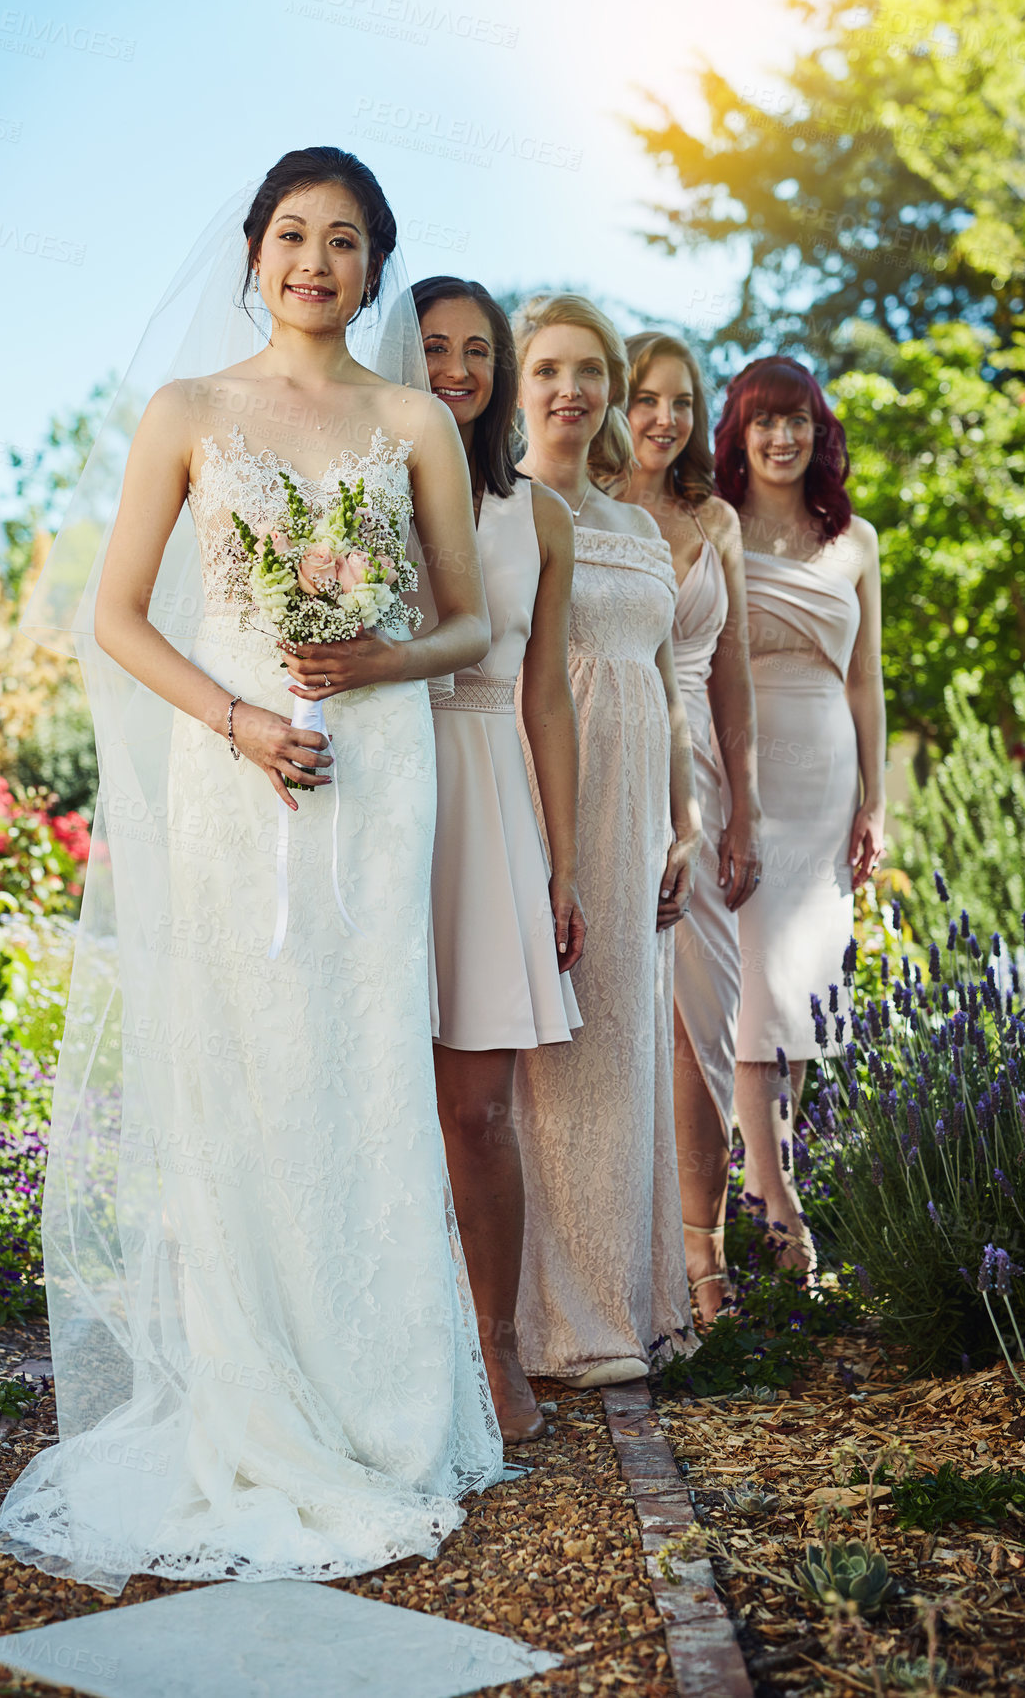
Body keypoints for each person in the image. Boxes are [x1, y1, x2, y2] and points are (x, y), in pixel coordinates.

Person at [0, 148, 505, 1595]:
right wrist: (236, 721)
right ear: (254, 250)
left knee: (359, 1063)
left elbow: (465, 626)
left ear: (375, 266)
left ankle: (386, 1406)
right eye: (292, 234)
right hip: (235, 771)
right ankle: (251, 1396)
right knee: (245, 1063)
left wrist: (374, 660)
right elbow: (116, 614)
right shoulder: (190, 411)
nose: (315, 262)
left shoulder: (411, 419)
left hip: (375, 771)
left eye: (345, 241)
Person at [511, 293, 701, 1385]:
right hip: (547, 793)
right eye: (547, 370)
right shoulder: (502, 510)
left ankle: (630, 1305)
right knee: (551, 1052)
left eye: (588, 371)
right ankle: (553, 1323)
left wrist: (683, 825)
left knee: (625, 1043)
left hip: (639, 817)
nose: (568, 391)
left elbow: (666, 691)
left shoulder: (634, 526)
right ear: (520, 384)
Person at [412, 276, 584, 1445]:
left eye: (480, 350)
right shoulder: (360, 492)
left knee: (478, 1111)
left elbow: (547, 704)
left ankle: (495, 1346)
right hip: (378, 785)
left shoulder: (538, 519)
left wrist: (561, 864)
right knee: (366, 1096)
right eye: (433, 346)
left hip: (486, 800)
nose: (459, 370)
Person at [714, 356, 886, 1277]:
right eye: (765, 421)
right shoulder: (719, 526)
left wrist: (876, 799)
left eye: (800, 422)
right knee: (758, 995)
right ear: (739, 433)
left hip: (826, 781)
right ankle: (779, 1210)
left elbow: (867, 677)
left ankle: (765, 1185)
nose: (783, 437)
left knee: (808, 998)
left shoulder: (855, 539)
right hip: (743, 772)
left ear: (821, 435)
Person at [621, 332, 762, 1324]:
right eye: (643, 397)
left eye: (679, 400)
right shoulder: (567, 509)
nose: (662, 417)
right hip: (604, 773)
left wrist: (741, 812)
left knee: (699, 1029)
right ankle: (612, 1261)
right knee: (608, 1025)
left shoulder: (712, 517)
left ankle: (703, 1260)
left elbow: (733, 677)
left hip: (701, 789)